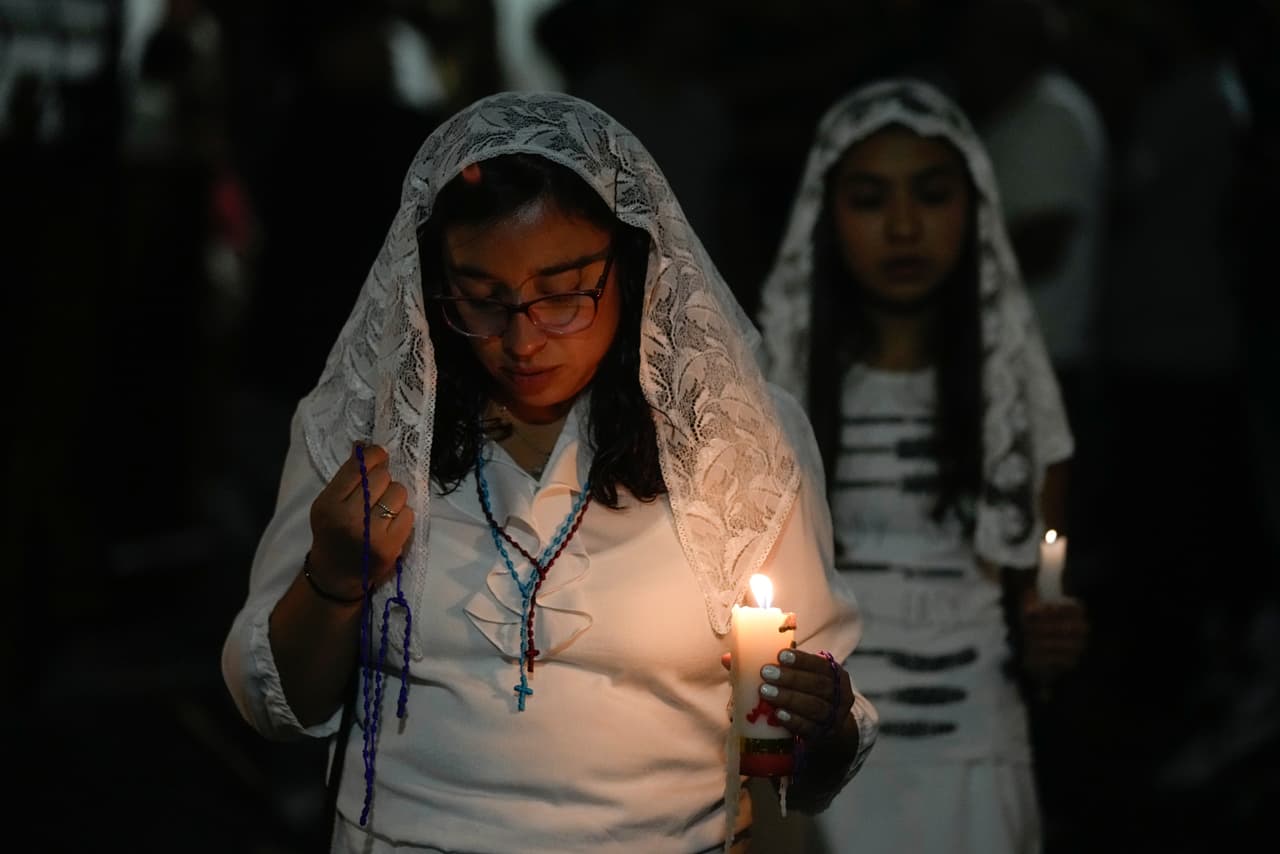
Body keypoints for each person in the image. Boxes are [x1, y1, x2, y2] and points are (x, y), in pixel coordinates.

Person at [221, 90, 878, 853]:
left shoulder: (734, 439)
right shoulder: (368, 437)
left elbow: (807, 742)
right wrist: (335, 579)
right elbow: (277, 707)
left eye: (563, 295)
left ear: (631, 267)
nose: (522, 340)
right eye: (482, 300)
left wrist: (820, 719)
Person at [756, 78, 1089, 853]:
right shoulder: (774, 390)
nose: (904, 227)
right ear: (826, 216)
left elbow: (1036, 595)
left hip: (972, 735)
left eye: (932, 195)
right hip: (825, 741)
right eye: (870, 199)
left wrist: (1051, 644)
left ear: (973, 209)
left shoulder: (1013, 394)